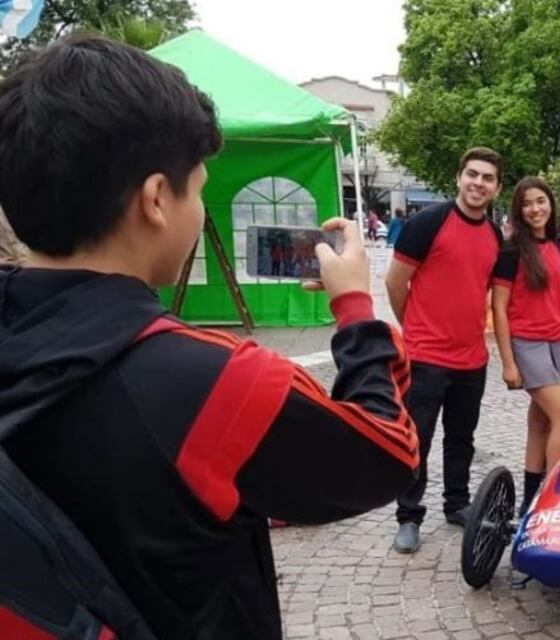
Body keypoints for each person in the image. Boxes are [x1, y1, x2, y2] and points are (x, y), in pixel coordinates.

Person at [0, 36, 419, 638]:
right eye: (197, 188)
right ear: (155, 200)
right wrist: (354, 305)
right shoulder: (214, 383)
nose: (200, 209)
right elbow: (386, 455)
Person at [386, 147, 504, 553]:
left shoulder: (494, 235)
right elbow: (395, 282)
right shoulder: (427, 223)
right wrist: (414, 329)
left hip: (472, 359)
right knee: (417, 437)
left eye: (487, 178)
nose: (478, 183)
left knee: (461, 438)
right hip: (425, 357)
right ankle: (408, 515)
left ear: (496, 188)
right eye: (472, 174)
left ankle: (457, 504)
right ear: (459, 178)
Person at [491, 177, 560, 514]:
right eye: (527, 204)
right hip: (528, 343)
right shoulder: (512, 251)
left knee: (541, 423)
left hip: (559, 341)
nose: (535, 209)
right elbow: (498, 307)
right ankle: (554, 500)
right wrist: (509, 364)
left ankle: (530, 500)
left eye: (540, 201)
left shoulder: (558, 246)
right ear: (518, 210)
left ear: (551, 204)